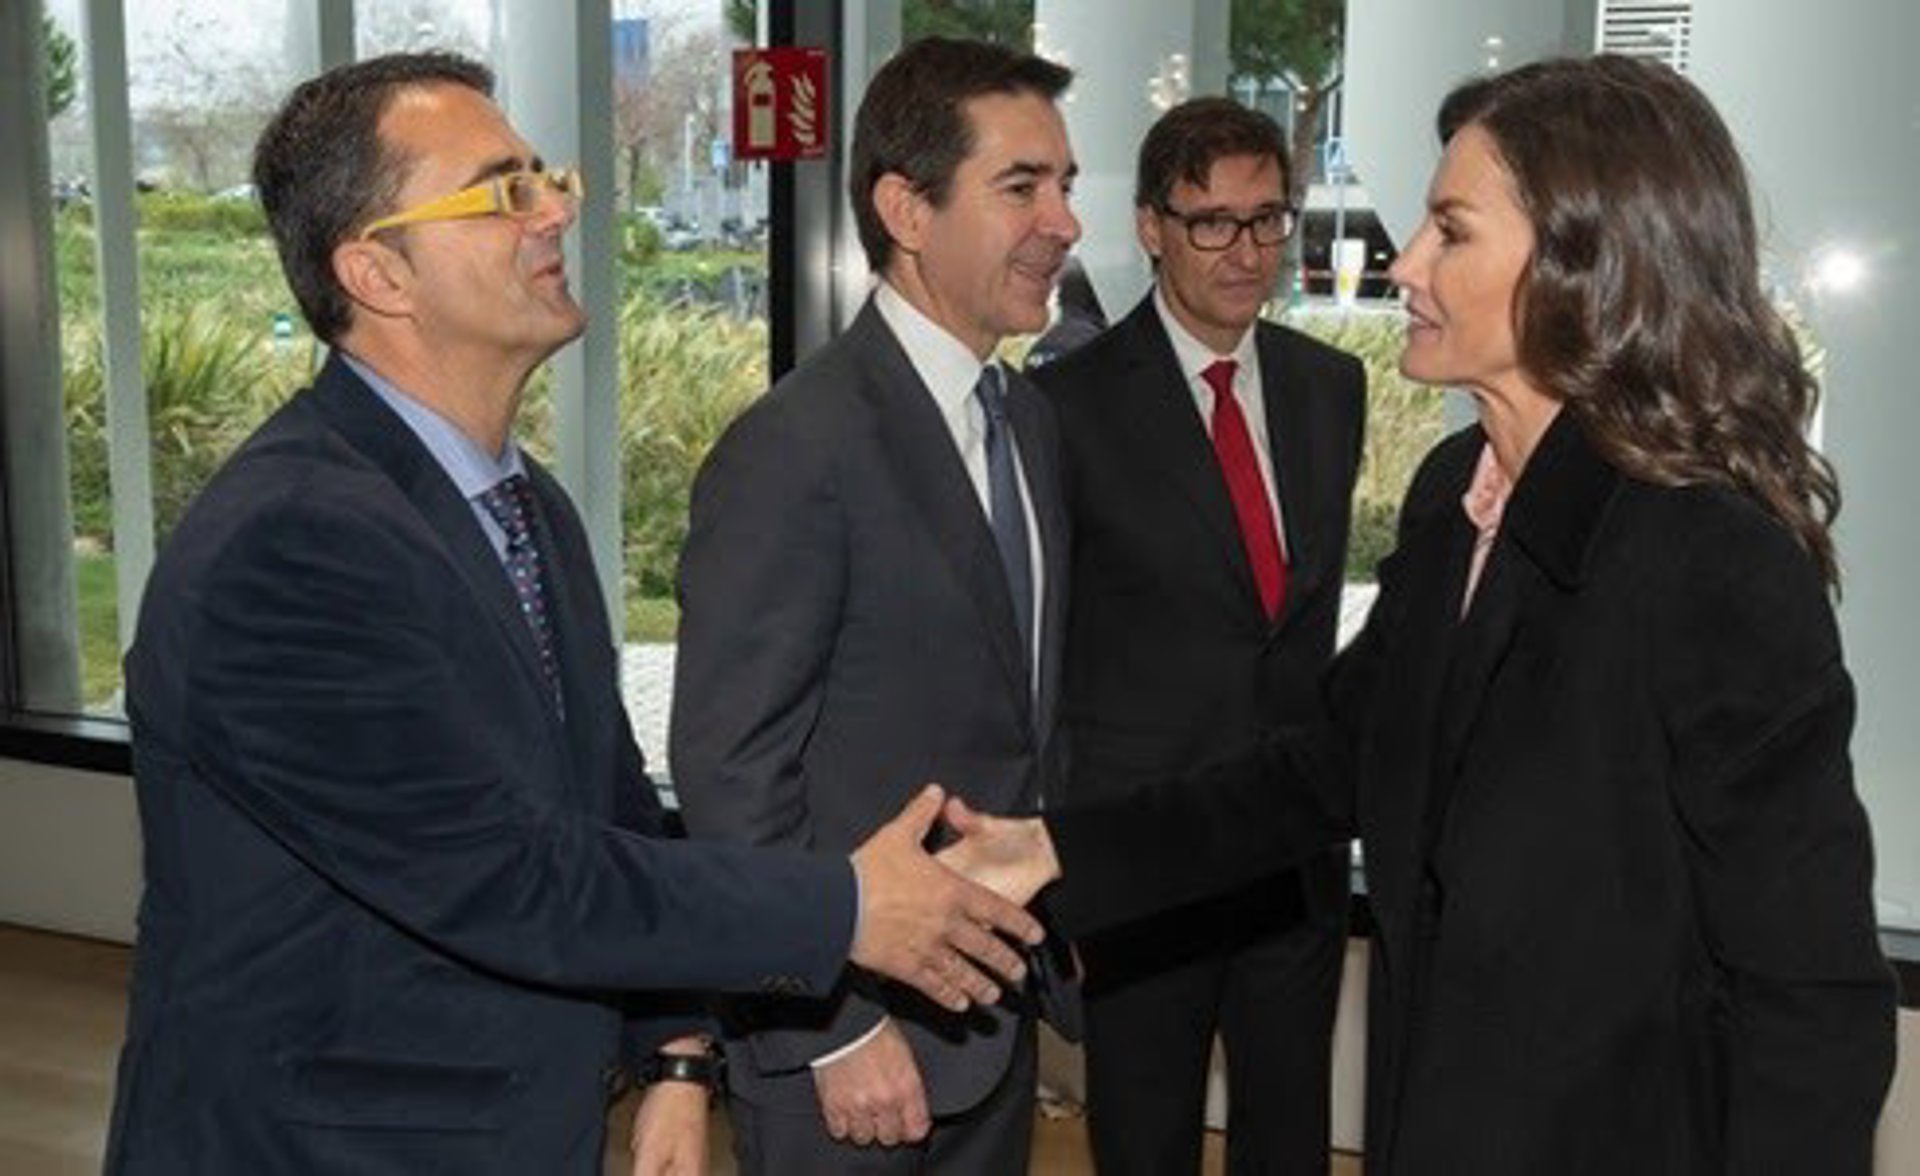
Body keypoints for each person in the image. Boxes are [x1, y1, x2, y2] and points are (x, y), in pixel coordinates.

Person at [944, 54, 1898, 1174]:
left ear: (1580, 265)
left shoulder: (1711, 558)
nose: (1403, 263)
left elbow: (1810, 999)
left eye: (1451, 230)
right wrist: (1056, 847)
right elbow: (1323, 766)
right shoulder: (1457, 500)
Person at [103, 51, 1045, 1176]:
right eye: (503, 191)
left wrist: (678, 1055)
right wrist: (844, 907)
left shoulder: (522, 505)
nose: (556, 209)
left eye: (546, 178)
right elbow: (507, 875)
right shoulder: (291, 543)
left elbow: (605, 812)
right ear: (378, 272)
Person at [671, 35, 1081, 1175]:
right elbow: (729, 770)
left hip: (992, 1018)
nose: (1064, 222)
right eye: (1021, 187)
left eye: (1064, 185)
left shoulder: (1028, 422)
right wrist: (826, 1029)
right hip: (851, 1049)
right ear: (907, 209)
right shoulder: (795, 448)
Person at [1028, 96, 1365, 1176]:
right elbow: (1044, 651)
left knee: (1290, 1144)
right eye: (1212, 221)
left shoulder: (1331, 388)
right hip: (1144, 865)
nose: (1247, 250)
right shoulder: (1062, 407)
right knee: (1146, 1143)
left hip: (1292, 854)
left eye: (1267, 219)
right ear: (1151, 226)